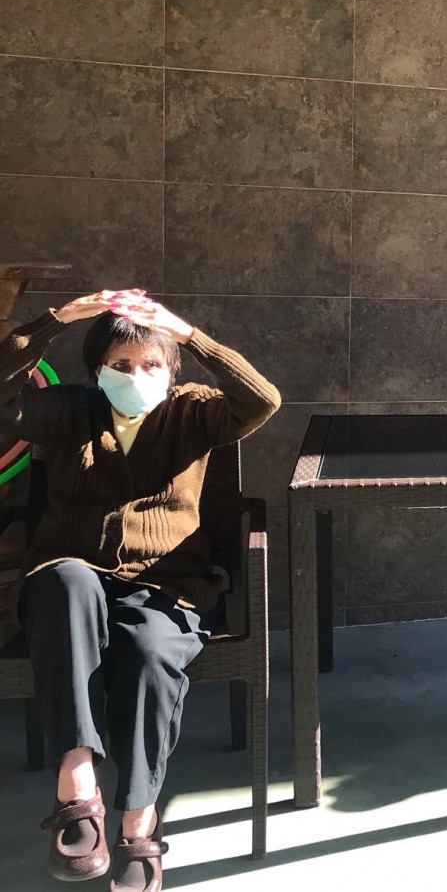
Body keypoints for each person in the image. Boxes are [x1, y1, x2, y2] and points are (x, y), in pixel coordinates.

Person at [0, 290, 280, 892]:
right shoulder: (70, 409)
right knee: (67, 583)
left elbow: (263, 399)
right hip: (72, 572)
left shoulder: (193, 411)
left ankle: (137, 817)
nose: (136, 375)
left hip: (165, 583)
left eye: (151, 363)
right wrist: (55, 320)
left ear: (171, 368)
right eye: (121, 364)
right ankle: (78, 782)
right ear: (98, 369)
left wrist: (187, 334)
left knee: (152, 653)